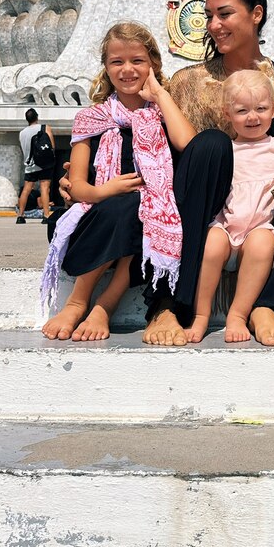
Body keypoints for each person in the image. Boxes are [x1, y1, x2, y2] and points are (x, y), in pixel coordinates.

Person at [144, 0, 274, 346]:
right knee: (213, 145)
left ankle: (273, 303)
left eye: (225, 14)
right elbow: (160, 154)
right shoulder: (187, 81)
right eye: (209, 16)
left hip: (265, 215)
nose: (214, 25)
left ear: (256, 14)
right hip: (206, 214)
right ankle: (170, 303)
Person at [41, 22, 195, 341]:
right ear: (106, 68)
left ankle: (101, 306)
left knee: (142, 210)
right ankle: (78, 302)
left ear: (152, 64)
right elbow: (79, 185)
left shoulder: (163, 114)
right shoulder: (91, 118)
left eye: (138, 60)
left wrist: (160, 94)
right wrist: (106, 190)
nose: (127, 69)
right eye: (117, 62)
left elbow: (188, 144)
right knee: (126, 207)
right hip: (95, 212)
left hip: (146, 218)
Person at [186, 69, 274, 344]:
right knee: (212, 244)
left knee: (263, 243)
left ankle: (238, 314)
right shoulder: (225, 147)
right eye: (242, 111)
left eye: (261, 109)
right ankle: (201, 315)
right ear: (227, 114)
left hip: (259, 226)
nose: (253, 117)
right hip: (225, 224)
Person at [16, 109, 55, 224]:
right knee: (44, 188)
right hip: (44, 164)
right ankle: (46, 215)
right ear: (37, 117)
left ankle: (20, 216)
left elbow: (23, 149)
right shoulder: (45, 127)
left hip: (30, 164)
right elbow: (51, 145)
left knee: (26, 189)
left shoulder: (22, 133)